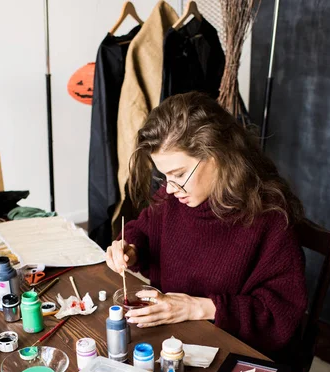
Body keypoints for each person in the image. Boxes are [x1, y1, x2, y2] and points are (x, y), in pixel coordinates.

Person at [106, 92, 307, 356]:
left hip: (236, 353)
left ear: (217, 153)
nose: (170, 188)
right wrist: (131, 249)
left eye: (178, 174)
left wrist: (197, 308)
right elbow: (143, 229)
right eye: (164, 176)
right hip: (176, 341)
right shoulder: (175, 197)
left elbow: (279, 315)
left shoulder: (269, 215)